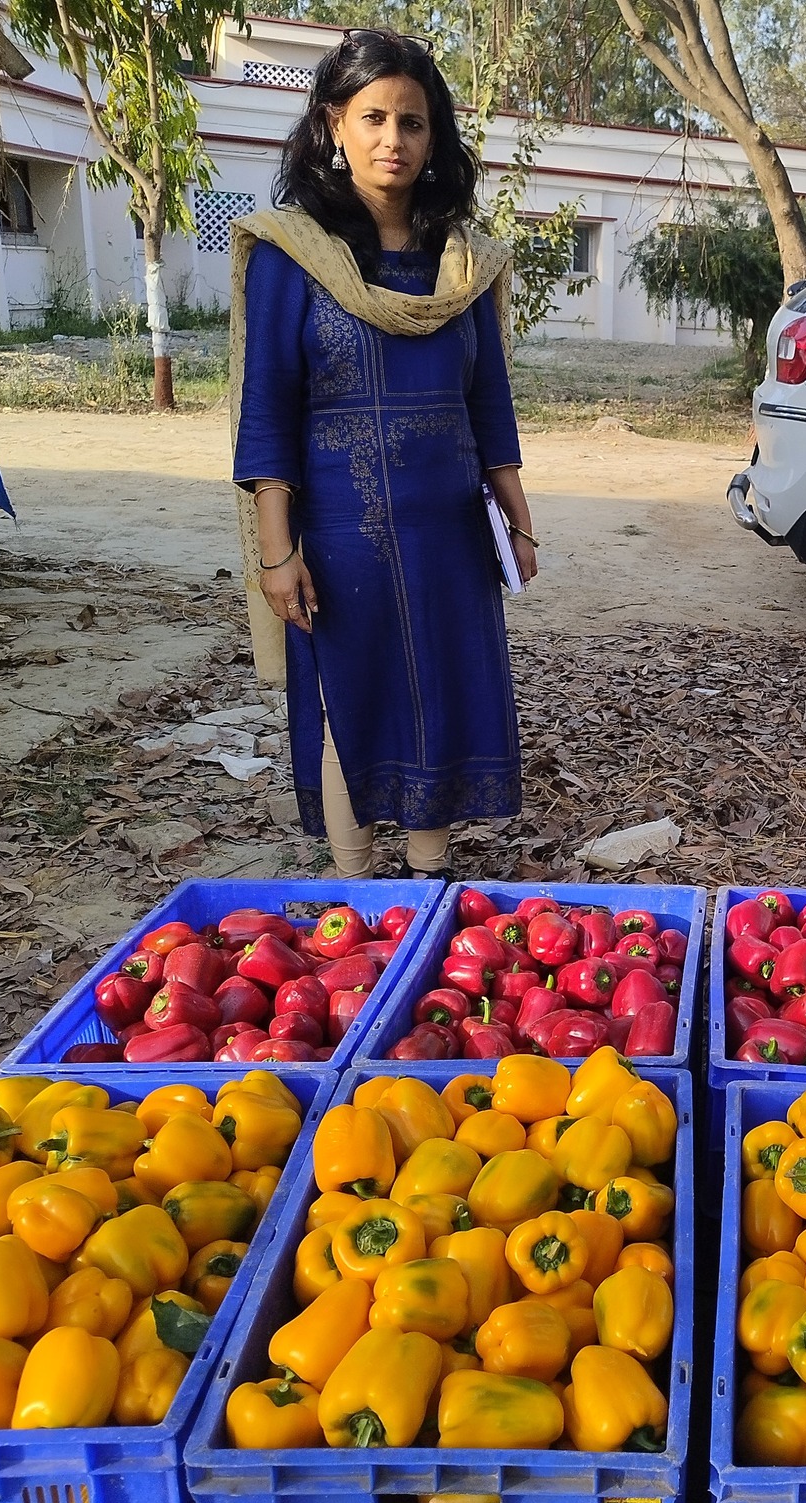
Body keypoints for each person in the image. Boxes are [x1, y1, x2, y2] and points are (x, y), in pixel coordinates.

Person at [231, 29, 539, 879]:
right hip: (341, 531)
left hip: (449, 528)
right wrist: (277, 553)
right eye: (373, 118)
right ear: (335, 124)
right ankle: (358, 889)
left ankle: (430, 881)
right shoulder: (290, 254)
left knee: (443, 692)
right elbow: (269, 411)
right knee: (349, 702)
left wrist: (517, 519)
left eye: (413, 121)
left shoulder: (464, 263)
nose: (393, 139)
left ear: (434, 136)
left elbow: (489, 402)